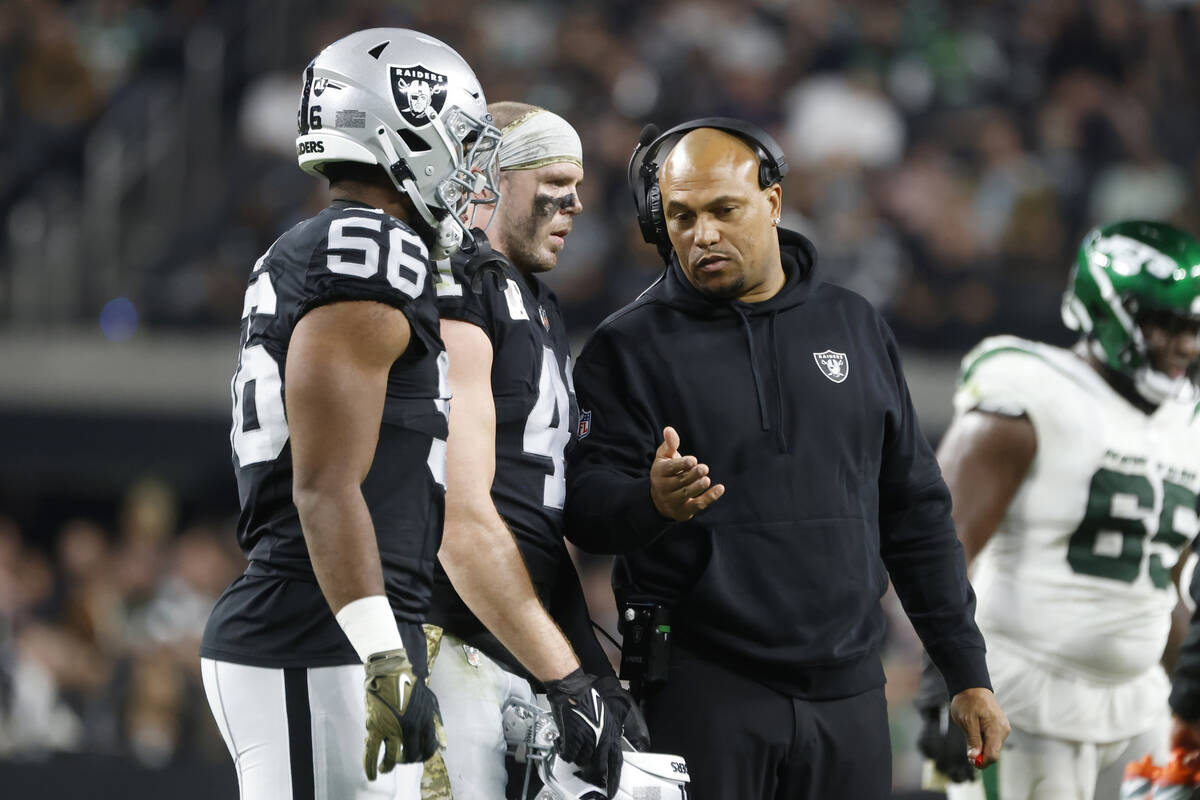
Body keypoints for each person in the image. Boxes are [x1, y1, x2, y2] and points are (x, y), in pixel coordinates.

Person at [561, 118, 1009, 799]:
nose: (701, 234)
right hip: (702, 691)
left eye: (723, 209)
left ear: (772, 203)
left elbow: (915, 514)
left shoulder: (855, 325)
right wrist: (650, 502)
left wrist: (965, 670)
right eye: (680, 216)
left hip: (851, 692)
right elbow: (587, 511)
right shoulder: (626, 348)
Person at [199, 28, 504, 800]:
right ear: (403, 124)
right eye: (460, 140)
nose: (470, 170)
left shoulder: (356, 246)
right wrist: (384, 658)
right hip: (313, 634)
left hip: (337, 631)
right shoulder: (368, 246)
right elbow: (323, 486)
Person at [919, 220, 1200, 800]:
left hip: (1140, 701)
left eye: (1192, 327)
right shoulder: (1029, 391)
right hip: (1022, 697)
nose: (1183, 346)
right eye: (1164, 324)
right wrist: (943, 682)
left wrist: (1188, 697)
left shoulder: (1186, 423)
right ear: (1108, 308)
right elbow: (936, 545)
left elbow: (1160, 584)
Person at [426, 101, 640, 799]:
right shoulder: (457, 282)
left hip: (508, 635)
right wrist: (567, 674)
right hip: (450, 635)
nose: (577, 201)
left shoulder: (535, 302)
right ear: (486, 177)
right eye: (553, 179)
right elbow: (463, 517)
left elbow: (536, 517)